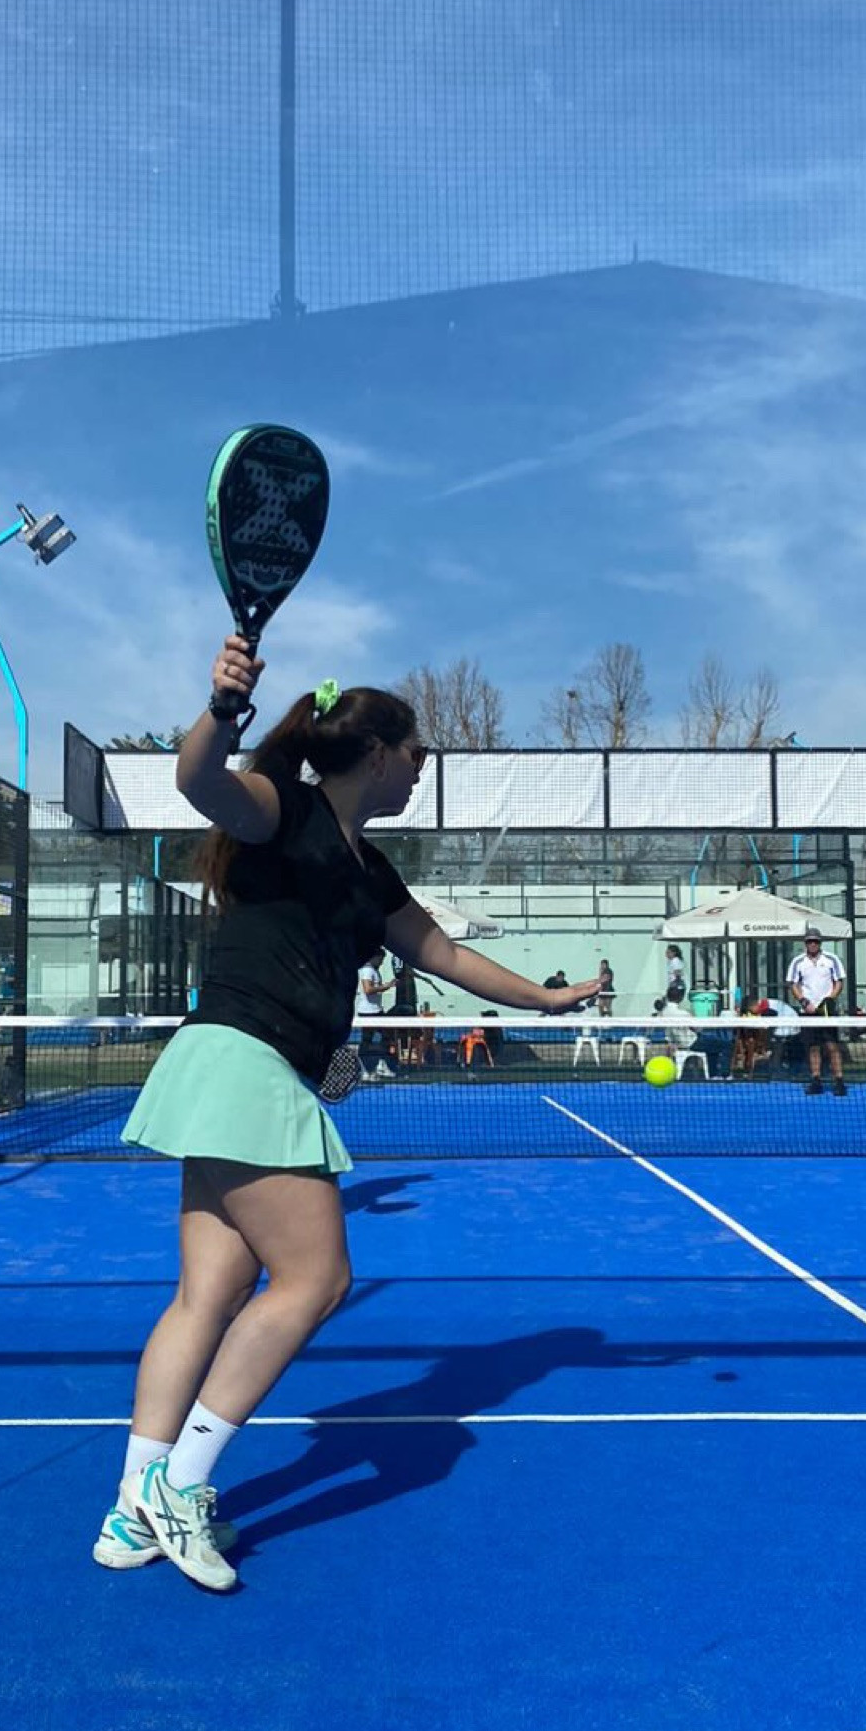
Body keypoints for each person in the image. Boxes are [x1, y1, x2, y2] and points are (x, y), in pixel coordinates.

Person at [96, 640, 600, 1593]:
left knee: (208, 1295)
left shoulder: (373, 872)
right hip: (242, 1062)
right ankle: (178, 1484)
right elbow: (198, 780)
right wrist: (222, 709)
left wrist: (545, 998)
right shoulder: (281, 810)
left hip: (239, 1067)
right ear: (376, 754)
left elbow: (445, 956)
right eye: (417, 754)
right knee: (318, 1280)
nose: (422, 769)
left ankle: (131, 1506)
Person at [786, 928, 846, 1095]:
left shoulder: (832, 959)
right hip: (808, 1011)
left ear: (820, 943)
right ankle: (816, 1080)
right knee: (813, 1047)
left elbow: (839, 982)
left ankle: (839, 1081)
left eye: (815, 941)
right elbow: (793, 984)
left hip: (827, 1012)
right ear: (805, 943)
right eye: (810, 941)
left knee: (832, 1046)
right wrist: (804, 1001)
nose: (813, 944)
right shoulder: (798, 962)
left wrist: (829, 1000)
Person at [356, 947, 392, 1081]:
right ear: (374, 957)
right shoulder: (367, 971)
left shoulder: (374, 971)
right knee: (366, 1040)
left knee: (387, 1035)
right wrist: (385, 986)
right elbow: (368, 989)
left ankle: (381, 1065)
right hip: (368, 1012)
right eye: (380, 959)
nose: (382, 962)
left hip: (376, 1010)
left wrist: (387, 986)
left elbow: (375, 989)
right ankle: (362, 1070)